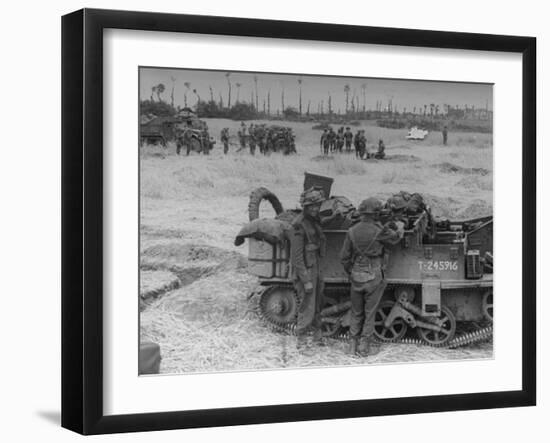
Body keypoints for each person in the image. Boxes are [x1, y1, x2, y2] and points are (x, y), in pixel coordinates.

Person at [340, 197, 404, 357]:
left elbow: (344, 258)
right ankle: (364, 348)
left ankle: (351, 345)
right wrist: (399, 226)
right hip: (374, 276)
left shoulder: (352, 231)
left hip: (356, 276)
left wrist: (352, 272)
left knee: (356, 312)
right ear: (375, 213)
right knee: (370, 313)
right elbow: (395, 239)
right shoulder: (379, 231)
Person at [289, 187, 326, 351]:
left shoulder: (314, 220)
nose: (315, 208)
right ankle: (302, 341)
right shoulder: (298, 225)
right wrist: (306, 280)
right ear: (305, 206)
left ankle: (318, 337)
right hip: (305, 270)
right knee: (307, 306)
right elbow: (296, 257)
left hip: (315, 266)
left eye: (317, 205)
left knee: (317, 304)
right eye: (311, 206)